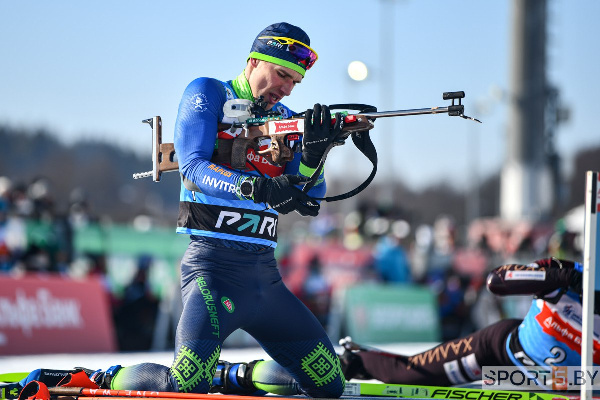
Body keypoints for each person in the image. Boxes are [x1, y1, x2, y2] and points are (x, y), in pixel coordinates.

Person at [1, 22, 346, 399]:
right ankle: (101, 378)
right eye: (281, 74)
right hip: (212, 272)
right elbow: (193, 168)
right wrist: (255, 186)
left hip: (265, 278)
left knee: (329, 386)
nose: (286, 87)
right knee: (186, 386)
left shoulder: (287, 118)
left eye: (295, 81)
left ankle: (231, 377)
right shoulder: (209, 92)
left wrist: (315, 155)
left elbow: (312, 199)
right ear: (253, 61)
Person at [340, 257, 592, 386]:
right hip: (499, 353)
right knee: (408, 373)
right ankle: (349, 364)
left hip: (559, 382)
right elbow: (498, 280)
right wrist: (564, 277)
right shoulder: (575, 273)